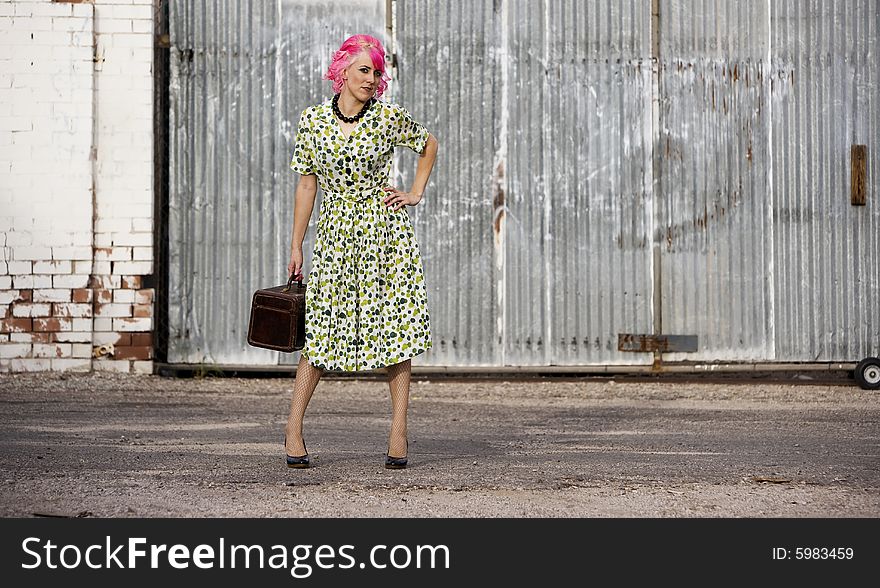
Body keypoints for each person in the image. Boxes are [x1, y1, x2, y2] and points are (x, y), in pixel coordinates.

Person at [283, 34, 438, 470]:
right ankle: (293, 428)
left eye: (377, 71)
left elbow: (429, 144)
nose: (372, 79)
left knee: (395, 330)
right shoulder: (313, 120)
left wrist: (414, 193)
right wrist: (296, 243)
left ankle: (399, 430)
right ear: (342, 72)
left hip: (385, 235)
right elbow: (307, 184)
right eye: (364, 70)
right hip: (334, 237)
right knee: (319, 333)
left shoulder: (388, 117)